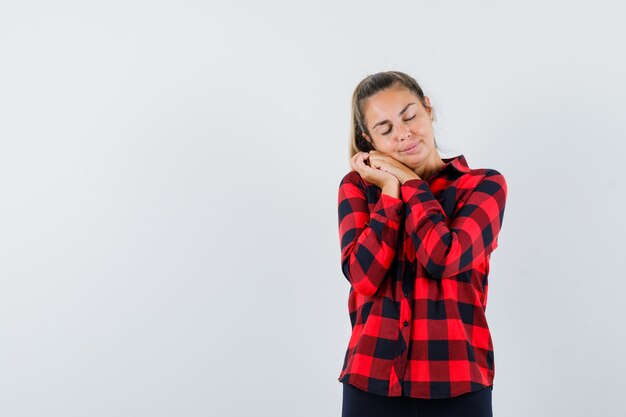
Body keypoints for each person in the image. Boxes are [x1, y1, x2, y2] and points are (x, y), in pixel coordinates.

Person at [336, 71, 508, 417]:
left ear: (428, 109)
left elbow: (443, 258)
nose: (403, 134)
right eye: (385, 129)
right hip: (371, 379)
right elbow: (364, 277)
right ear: (367, 139)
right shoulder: (358, 188)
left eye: (410, 116)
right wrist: (389, 192)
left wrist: (410, 182)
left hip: (457, 382)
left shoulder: (483, 186)